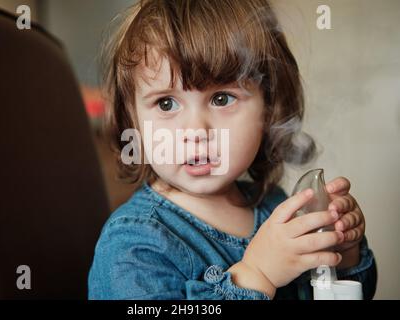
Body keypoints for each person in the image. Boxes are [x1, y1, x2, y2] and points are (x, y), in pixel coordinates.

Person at [88, 0, 377, 300]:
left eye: (222, 99)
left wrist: (342, 258)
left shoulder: (276, 206)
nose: (196, 132)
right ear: (132, 118)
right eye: (166, 103)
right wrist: (256, 275)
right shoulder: (132, 243)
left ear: (268, 110)